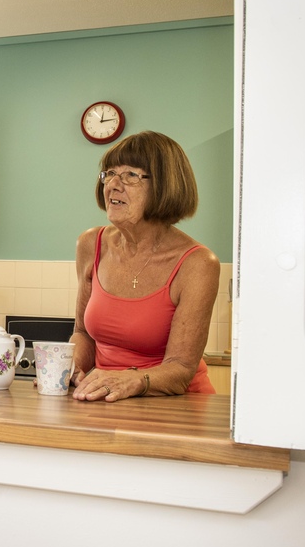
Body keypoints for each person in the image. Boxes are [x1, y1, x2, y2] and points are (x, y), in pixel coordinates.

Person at [70, 130, 220, 402]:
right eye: (109, 173)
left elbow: (181, 369)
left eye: (130, 175)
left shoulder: (198, 263)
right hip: (112, 400)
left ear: (165, 185)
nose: (113, 184)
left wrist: (131, 379)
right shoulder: (91, 243)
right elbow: (82, 333)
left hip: (179, 407)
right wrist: (71, 366)